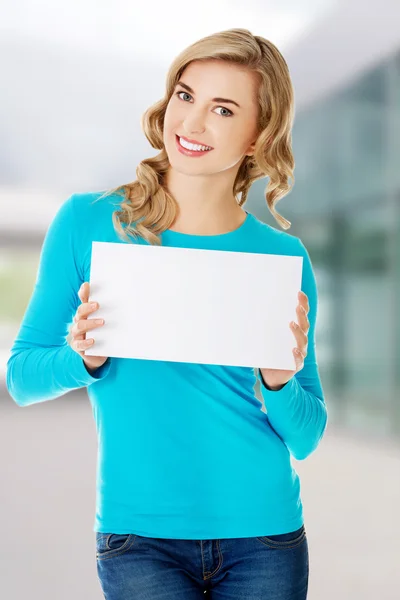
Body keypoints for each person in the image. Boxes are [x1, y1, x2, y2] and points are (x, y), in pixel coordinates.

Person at [6, 28, 328, 600]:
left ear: (258, 137)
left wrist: (278, 380)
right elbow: (22, 378)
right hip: (139, 540)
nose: (192, 123)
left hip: (266, 541)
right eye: (186, 96)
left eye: (222, 109)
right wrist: (84, 359)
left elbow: (306, 435)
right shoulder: (88, 222)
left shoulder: (282, 257)